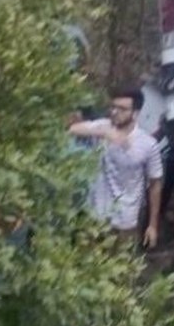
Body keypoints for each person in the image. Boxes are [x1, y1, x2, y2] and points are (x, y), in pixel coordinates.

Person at [68, 88, 164, 249]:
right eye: (113, 107)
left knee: (121, 270)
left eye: (122, 109)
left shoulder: (147, 144)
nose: (114, 112)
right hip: (93, 218)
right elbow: (72, 129)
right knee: (83, 267)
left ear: (135, 113)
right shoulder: (103, 126)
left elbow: (155, 184)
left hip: (125, 222)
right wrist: (105, 133)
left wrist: (152, 225)